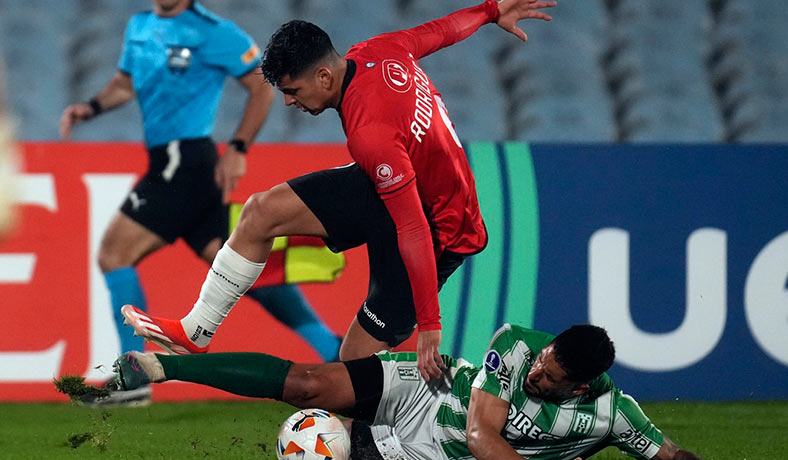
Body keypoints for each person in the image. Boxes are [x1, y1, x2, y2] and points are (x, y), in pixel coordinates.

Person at [120, 0, 557, 381]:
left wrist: (430, 325)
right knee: (259, 213)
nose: (289, 102)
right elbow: (441, 31)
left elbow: (412, 230)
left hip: (440, 229)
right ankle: (198, 331)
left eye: (293, 90)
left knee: (350, 369)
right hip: (394, 183)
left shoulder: (372, 135)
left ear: (325, 77)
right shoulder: (377, 51)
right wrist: (489, 11)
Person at [59, 0, 341, 405]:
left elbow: (261, 85)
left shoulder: (213, 31)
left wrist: (239, 147)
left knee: (113, 253)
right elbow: (125, 82)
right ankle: (330, 347)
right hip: (173, 162)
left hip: (186, 161)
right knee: (235, 266)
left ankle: (132, 380)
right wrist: (91, 108)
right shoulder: (139, 26)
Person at [111, 323, 704, 460]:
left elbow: (669, 454)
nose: (535, 375)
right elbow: (481, 435)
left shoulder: (613, 416)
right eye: (542, 363)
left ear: (579, 385)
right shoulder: (518, 342)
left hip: (423, 453)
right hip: (426, 389)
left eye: (549, 380)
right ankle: (164, 367)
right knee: (308, 384)